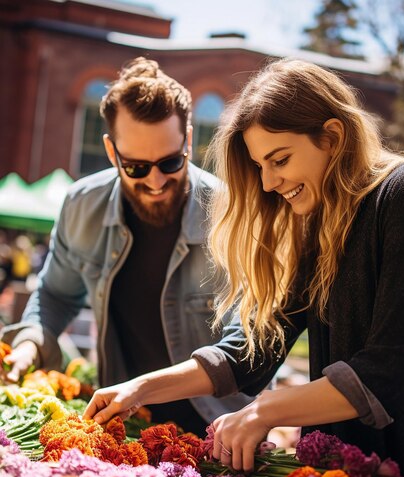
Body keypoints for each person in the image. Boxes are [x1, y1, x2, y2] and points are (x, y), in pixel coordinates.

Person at [83, 58, 404, 477]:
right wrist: (142, 387)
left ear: (333, 138)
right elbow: (254, 349)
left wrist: (265, 410)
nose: (269, 181)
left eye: (279, 159)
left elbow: (388, 371)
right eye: (260, 165)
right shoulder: (320, 223)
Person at [0, 56, 253, 437]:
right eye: (135, 166)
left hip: (219, 430)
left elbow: (250, 336)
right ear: (110, 151)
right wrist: (30, 343)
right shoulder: (81, 204)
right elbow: (55, 295)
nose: (154, 181)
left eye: (170, 162)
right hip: (120, 426)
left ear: (187, 139)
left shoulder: (231, 213)